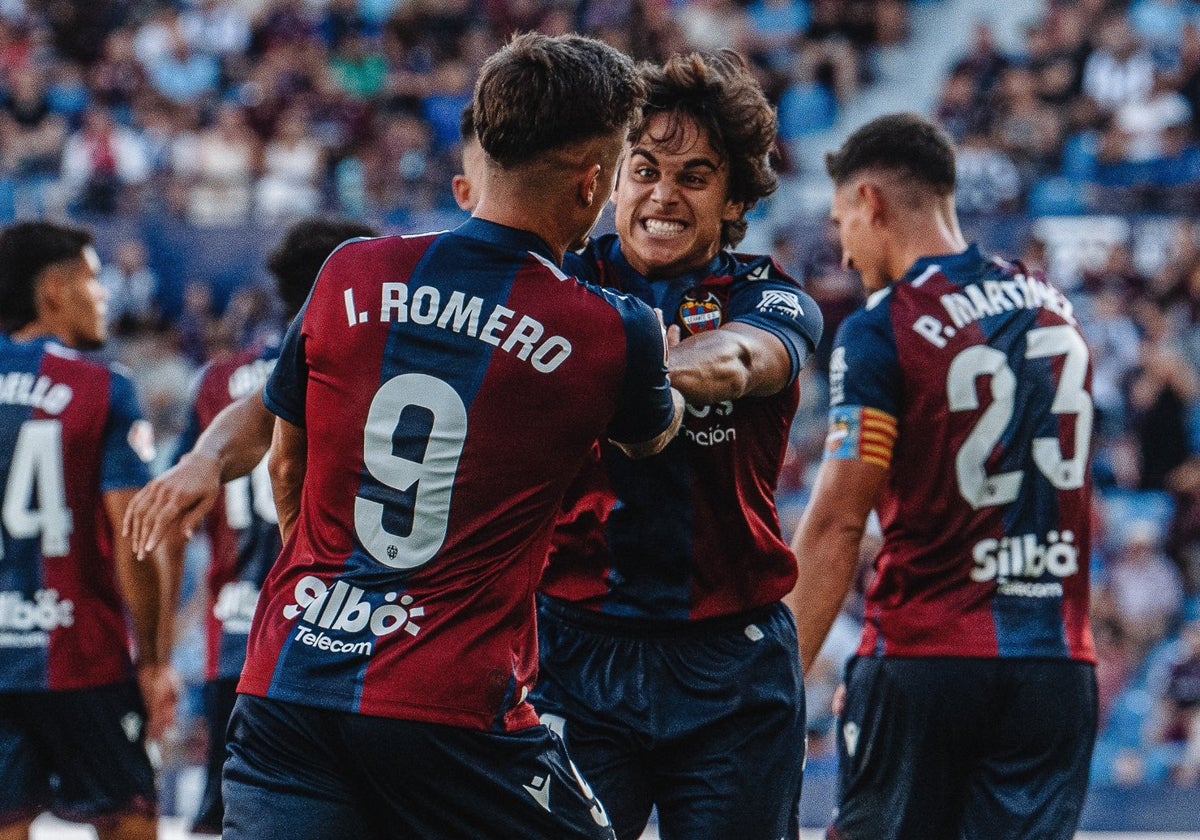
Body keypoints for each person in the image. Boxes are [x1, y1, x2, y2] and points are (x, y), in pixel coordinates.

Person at [223, 32, 684, 840]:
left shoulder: (347, 271)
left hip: (288, 682)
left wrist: (339, 599)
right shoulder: (613, 332)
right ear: (591, 181)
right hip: (452, 703)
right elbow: (651, 439)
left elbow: (285, 465)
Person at [531, 50, 822, 840]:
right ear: (609, 180)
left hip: (731, 665)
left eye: (695, 176)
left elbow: (740, 358)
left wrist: (634, 374)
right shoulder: (553, 284)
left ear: (734, 203)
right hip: (571, 654)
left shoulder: (771, 296)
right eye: (646, 169)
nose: (664, 195)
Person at [789, 113, 1097, 840]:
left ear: (870, 202)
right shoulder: (1055, 308)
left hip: (928, 656)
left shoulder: (881, 326)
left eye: (842, 222)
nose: (844, 246)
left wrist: (773, 690)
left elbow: (838, 522)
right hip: (1056, 664)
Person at [182, 218, 377, 835]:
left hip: (237, 630)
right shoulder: (361, 367)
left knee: (229, 817)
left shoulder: (218, 380)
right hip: (337, 632)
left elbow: (185, 494)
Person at [0, 222, 177, 840]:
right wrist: (154, 662)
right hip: (83, 657)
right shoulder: (103, 386)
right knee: (130, 817)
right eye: (93, 279)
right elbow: (134, 539)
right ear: (53, 291)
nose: (104, 296)